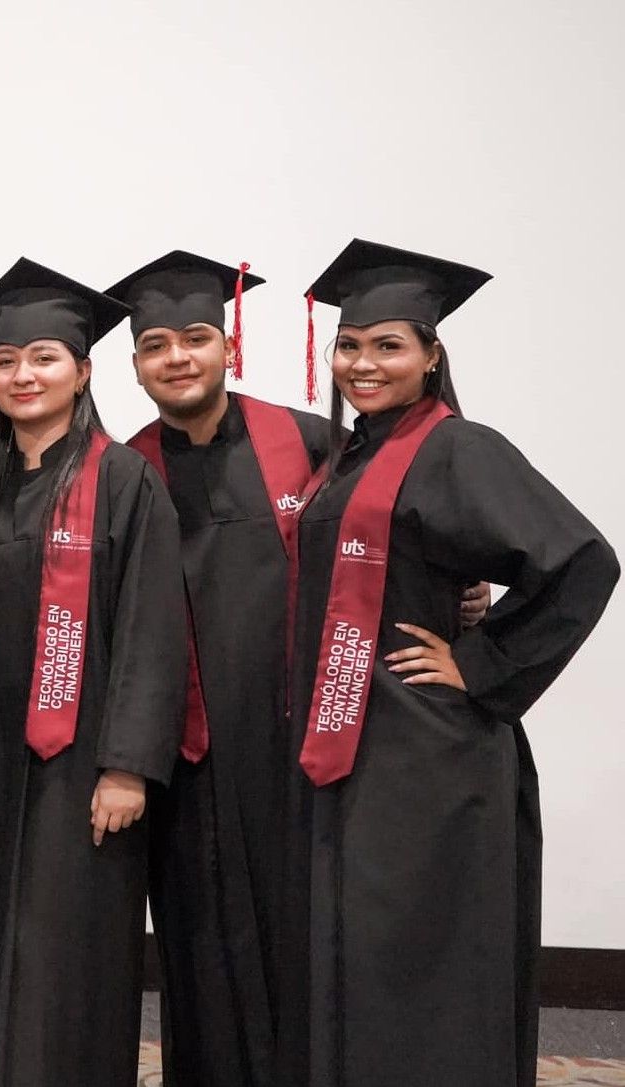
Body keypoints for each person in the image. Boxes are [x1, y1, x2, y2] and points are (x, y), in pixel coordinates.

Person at [287, 239, 617, 1087]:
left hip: (426, 752)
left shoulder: (459, 446)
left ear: (432, 354)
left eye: (389, 345)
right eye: (351, 344)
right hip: (359, 741)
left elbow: (582, 561)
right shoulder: (353, 451)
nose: (364, 362)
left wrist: (482, 660)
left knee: (421, 961)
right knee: (366, 952)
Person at [0, 259, 189, 1087]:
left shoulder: (123, 481)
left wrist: (127, 764)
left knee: (67, 962)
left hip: (84, 768)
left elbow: (154, 629)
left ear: (83, 371)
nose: (24, 375)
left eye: (45, 358)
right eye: (8, 361)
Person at [103, 251, 331, 1087]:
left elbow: (385, 538)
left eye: (196, 337)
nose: (178, 357)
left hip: (294, 751)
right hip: (187, 761)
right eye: (156, 344)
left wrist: (463, 594)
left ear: (229, 347)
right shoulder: (125, 474)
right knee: (203, 956)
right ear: (134, 365)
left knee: (307, 943)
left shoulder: (305, 440)